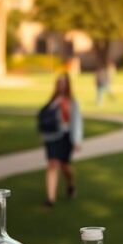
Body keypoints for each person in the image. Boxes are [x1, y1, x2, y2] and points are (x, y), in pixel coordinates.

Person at [41, 73, 83, 207]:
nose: (61, 85)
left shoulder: (72, 102)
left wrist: (77, 140)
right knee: (52, 164)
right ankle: (50, 198)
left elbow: (77, 122)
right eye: (59, 83)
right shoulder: (52, 101)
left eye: (63, 83)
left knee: (65, 166)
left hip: (66, 137)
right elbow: (44, 118)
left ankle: (71, 185)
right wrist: (55, 104)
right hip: (52, 137)